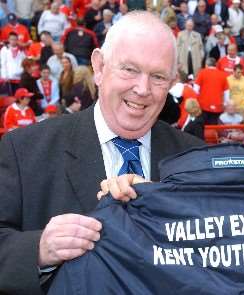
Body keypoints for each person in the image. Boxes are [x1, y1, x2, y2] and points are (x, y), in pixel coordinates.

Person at [0, 11, 203, 294]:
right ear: (98, 66)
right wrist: (39, 250)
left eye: (157, 76)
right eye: (130, 69)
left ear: (171, 82)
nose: (142, 89)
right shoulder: (24, 150)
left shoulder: (197, 160)